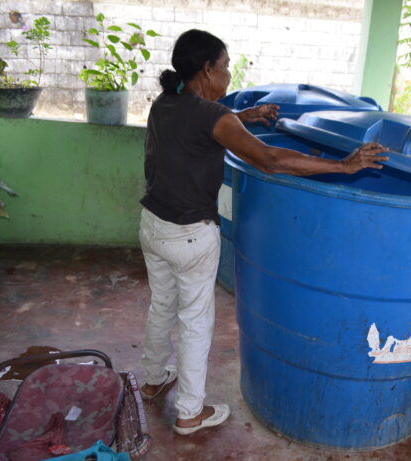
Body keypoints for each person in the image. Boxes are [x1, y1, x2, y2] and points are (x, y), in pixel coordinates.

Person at [138, 29, 388, 436]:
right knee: (196, 321)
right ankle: (189, 413)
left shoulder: (164, 103)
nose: (230, 74)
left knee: (162, 305)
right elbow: (270, 159)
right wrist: (345, 166)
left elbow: (202, 123)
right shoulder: (214, 118)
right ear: (207, 69)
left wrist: (244, 117)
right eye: (226, 66)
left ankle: (151, 380)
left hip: (153, 225)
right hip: (190, 236)